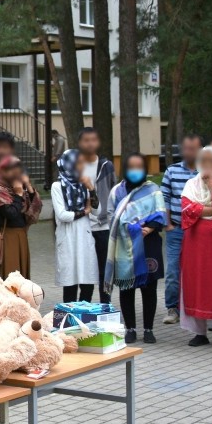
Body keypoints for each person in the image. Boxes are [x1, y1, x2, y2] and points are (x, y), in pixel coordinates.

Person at [105, 153, 167, 344]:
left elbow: (161, 214)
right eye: (131, 167)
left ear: (145, 169)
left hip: (149, 244)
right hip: (125, 246)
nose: (135, 171)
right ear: (125, 168)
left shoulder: (153, 190)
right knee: (127, 287)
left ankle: (148, 329)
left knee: (149, 288)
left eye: (139, 167)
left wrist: (149, 228)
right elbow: (110, 216)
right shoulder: (117, 191)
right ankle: (130, 328)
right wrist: (126, 229)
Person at [180, 146, 212, 346]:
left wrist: (211, 187)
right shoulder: (190, 184)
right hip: (195, 243)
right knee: (196, 283)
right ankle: (200, 333)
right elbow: (188, 209)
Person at [160, 134, 204, 324]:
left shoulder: (208, 171)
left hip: (200, 230)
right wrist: (168, 225)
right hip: (177, 229)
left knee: (201, 271)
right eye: (185, 148)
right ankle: (173, 309)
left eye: (193, 148)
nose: (188, 152)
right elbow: (165, 199)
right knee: (172, 271)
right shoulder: (172, 171)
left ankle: (203, 311)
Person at [52, 149, 100, 302]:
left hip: (84, 236)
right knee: (70, 282)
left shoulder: (84, 184)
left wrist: (91, 190)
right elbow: (62, 215)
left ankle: (84, 317)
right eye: (79, 163)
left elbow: (97, 211)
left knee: (88, 282)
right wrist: (85, 212)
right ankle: (70, 320)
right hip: (68, 237)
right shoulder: (57, 186)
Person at [77, 127, 117, 303]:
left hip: (103, 226)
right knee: (85, 273)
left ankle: (105, 307)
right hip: (82, 226)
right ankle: (84, 308)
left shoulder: (106, 166)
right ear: (80, 143)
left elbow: (114, 192)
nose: (90, 143)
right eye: (86, 140)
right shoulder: (75, 166)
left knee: (104, 270)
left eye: (93, 139)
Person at [0, 155, 42, 278]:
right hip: (6, 237)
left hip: (21, 236)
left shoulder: (21, 190)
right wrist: (18, 195)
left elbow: (35, 209)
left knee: (21, 278)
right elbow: (11, 213)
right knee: (9, 275)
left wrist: (29, 187)